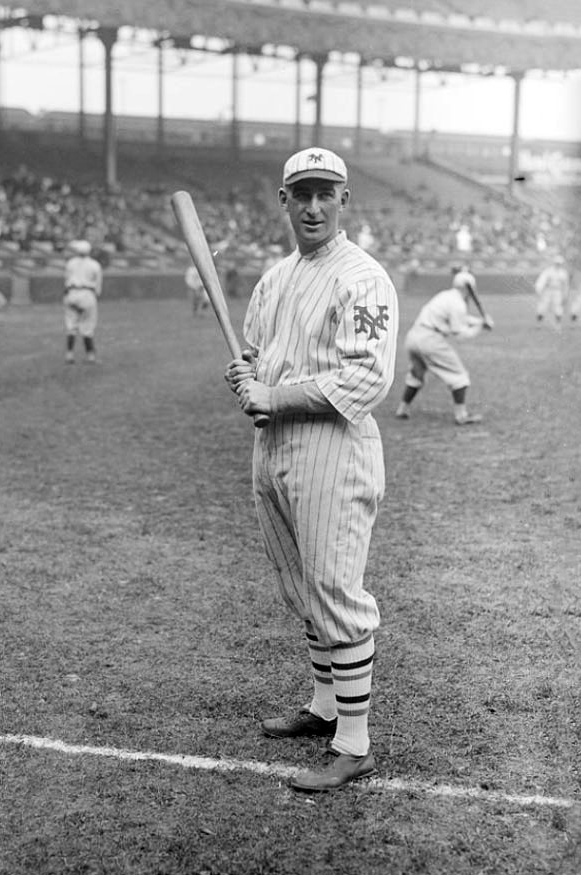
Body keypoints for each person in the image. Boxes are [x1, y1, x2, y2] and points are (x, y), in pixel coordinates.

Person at [224, 147, 399, 793]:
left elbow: (368, 376)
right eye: (303, 194)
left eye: (327, 193)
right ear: (285, 200)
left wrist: (276, 394)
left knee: (334, 589)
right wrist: (246, 374)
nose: (315, 205)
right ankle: (325, 705)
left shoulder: (364, 277)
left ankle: (353, 744)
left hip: (335, 444)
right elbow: (256, 354)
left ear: (345, 199)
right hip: (275, 447)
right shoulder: (275, 278)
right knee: (299, 582)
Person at [395, 266, 493, 425]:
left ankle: (402, 408)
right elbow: (460, 334)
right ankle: (461, 416)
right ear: (469, 288)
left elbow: (462, 318)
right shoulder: (458, 304)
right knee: (460, 377)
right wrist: (481, 327)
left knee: (416, 375)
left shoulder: (445, 295)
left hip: (413, 337)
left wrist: (480, 321)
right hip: (430, 340)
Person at [63, 239, 103, 363]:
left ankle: (69, 354)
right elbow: (98, 285)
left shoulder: (70, 263)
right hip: (87, 294)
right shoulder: (94, 264)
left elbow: (66, 280)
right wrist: (96, 295)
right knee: (87, 327)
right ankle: (90, 355)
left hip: (72, 293)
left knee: (71, 326)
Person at [534, 253, 569, 329]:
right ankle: (539, 323)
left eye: (560, 263)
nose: (558, 264)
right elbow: (541, 281)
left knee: (558, 307)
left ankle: (558, 324)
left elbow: (565, 285)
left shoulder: (563, 273)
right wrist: (539, 290)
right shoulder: (548, 271)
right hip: (548, 291)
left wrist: (565, 295)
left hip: (558, 292)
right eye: (557, 263)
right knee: (542, 307)